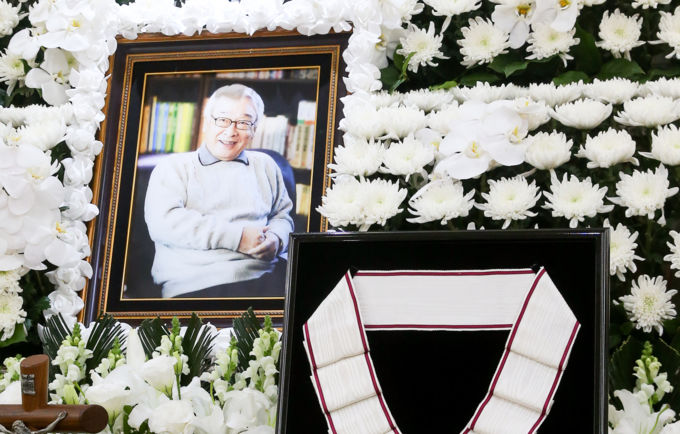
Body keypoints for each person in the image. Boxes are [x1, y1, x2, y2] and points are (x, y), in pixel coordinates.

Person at [144, 84, 294, 298]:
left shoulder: (266, 165)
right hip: (197, 284)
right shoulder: (174, 167)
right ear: (206, 121)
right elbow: (164, 224)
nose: (231, 131)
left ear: (254, 129)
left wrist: (277, 240)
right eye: (222, 120)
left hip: (266, 276)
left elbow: (282, 216)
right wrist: (239, 238)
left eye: (243, 123)